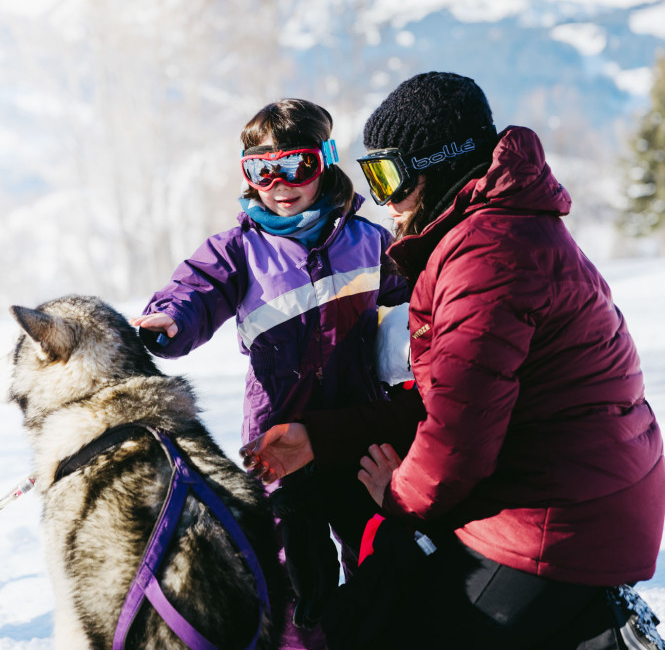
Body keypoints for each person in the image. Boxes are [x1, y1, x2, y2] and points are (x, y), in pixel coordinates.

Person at [241, 72, 665, 650]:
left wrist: (399, 494)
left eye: (388, 176)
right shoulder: (495, 233)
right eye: (371, 176)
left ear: (437, 167)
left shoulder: (486, 258)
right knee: (378, 584)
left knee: (378, 623)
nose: (382, 200)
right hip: (569, 496)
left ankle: (592, 626)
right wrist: (322, 436)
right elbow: (451, 397)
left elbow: (455, 441)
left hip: (555, 522)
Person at [131, 97, 409, 650]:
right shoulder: (240, 250)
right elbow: (197, 290)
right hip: (280, 440)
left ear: (326, 162)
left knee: (378, 551)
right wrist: (171, 319)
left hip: (357, 430)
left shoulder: (369, 240)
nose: (279, 184)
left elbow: (408, 320)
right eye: (261, 170)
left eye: (296, 166)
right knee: (297, 575)